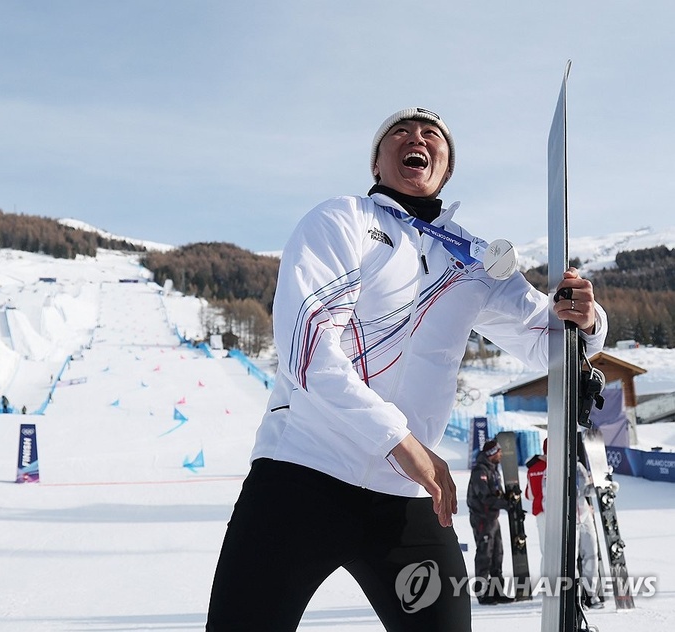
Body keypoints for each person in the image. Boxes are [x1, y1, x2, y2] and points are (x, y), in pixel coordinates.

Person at [205, 107, 608, 631]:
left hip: (406, 496)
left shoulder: (472, 259)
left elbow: (548, 343)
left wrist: (586, 319)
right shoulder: (342, 219)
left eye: (431, 135)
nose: (417, 138)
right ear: (377, 164)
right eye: (400, 132)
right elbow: (308, 351)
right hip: (301, 474)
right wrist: (401, 439)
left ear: (446, 169)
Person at [467, 439, 514, 605]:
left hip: (493, 518)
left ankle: (496, 591)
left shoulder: (493, 470)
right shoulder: (480, 471)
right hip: (482, 519)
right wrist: (507, 505)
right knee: (484, 555)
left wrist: (508, 498)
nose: (501, 454)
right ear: (491, 454)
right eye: (498, 452)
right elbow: (485, 498)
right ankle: (482, 593)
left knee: (497, 554)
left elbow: (495, 494)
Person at [576, 459, 604, 609]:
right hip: (567, 517)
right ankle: (574, 597)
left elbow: (586, 490)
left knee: (592, 553)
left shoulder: (578, 466)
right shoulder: (552, 468)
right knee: (571, 558)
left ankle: (590, 594)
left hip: (584, 514)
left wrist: (600, 484)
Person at [525, 438, 549, 555]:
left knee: (545, 550)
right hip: (557, 511)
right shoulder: (559, 466)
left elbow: (529, 495)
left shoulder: (532, 467)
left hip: (539, 510)